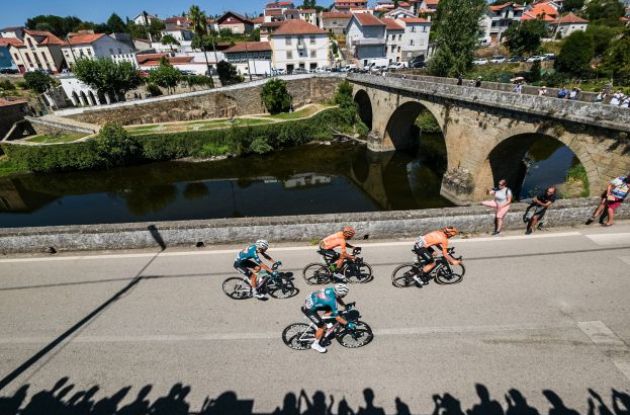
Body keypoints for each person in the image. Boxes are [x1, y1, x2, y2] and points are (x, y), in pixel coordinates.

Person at [301, 284, 352, 353]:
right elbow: (338, 318)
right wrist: (347, 324)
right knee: (323, 326)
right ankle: (315, 344)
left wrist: (344, 306)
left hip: (310, 300)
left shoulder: (332, 290)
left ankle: (319, 321)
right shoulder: (332, 301)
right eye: (344, 294)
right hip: (309, 309)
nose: (344, 295)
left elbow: (338, 298)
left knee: (331, 310)